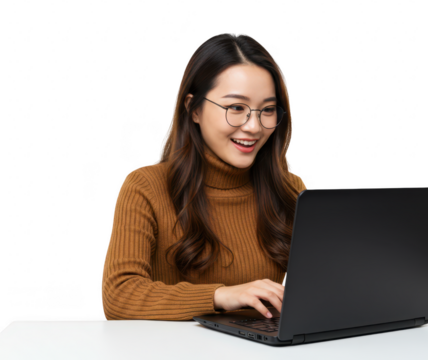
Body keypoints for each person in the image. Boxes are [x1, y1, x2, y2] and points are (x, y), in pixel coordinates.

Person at [101, 32, 307, 321]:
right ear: (193, 109)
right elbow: (119, 296)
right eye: (236, 108)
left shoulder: (290, 189)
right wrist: (221, 295)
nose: (253, 127)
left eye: (268, 110)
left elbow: (315, 291)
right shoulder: (146, 187)